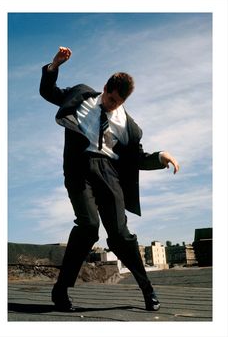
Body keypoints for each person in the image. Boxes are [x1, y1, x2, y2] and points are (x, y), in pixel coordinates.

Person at [39, 46, 179, 312]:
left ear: (124, 101)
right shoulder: (81, 95)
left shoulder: (128, 125)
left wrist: (161, 157)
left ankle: (147, 290)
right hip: (79, 168)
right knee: (89, 227)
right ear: (105, 87)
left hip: (108, 172)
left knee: (121, 236)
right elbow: (49, 93)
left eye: (117, 102)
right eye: (110, 98)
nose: (111, 104)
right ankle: (61, 289)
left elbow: (137, 158)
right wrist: (55, 65)